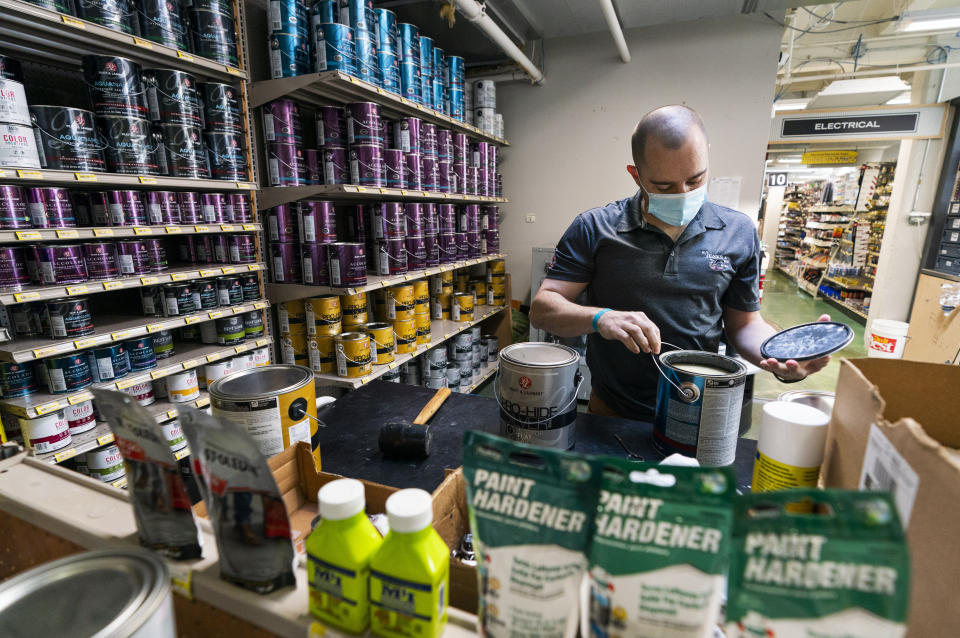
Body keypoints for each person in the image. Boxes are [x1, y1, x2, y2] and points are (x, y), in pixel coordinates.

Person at [529, 104, 830, 422]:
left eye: (695, 180)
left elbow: (744, 325)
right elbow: (542, 309)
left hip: (700, 409)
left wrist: (778, 354)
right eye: (664, 187)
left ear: (707, 158)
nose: (683, 193)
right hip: (613, 411)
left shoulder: (738, 232)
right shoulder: (595, 227)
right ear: (636, 175)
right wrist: (600, 318)